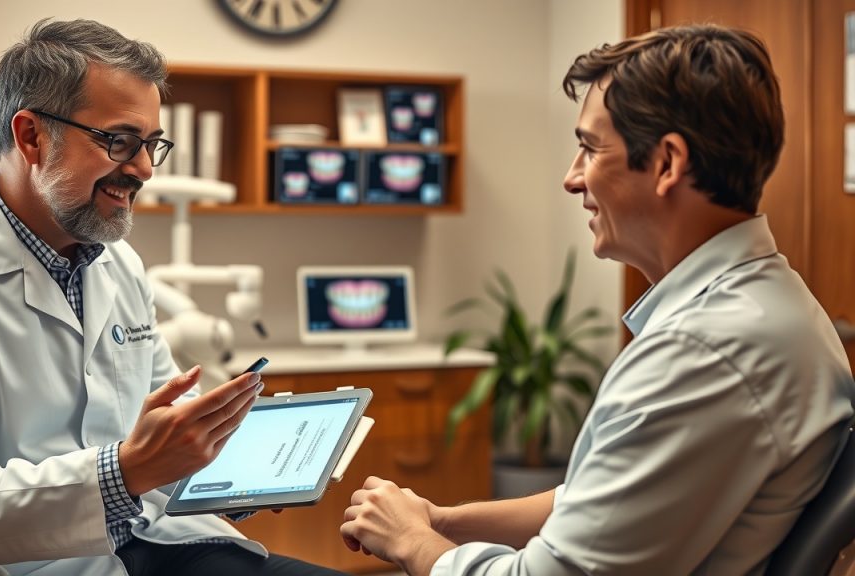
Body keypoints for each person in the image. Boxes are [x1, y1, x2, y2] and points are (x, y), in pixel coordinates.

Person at [339, 24, 855, 575]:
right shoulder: (765, 303)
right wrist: (442, 520)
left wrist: (412, 543)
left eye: (588, 148)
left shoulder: (705, 350)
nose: (571, 178)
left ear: (666, 163)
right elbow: (597, 502)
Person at [0, 18, 345, 576]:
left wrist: (243, 463)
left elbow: (164, 419)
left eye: (152, 145)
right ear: (31, 136)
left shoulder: (119, 265)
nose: (145, 169)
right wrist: (124, 472)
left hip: (157, 539)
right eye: (120, 141)